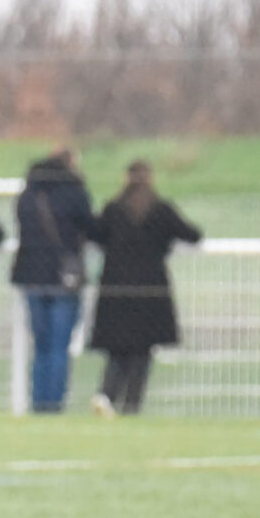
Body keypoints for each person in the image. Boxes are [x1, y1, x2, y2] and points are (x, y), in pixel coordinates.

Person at [89, 161, 201, 416]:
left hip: (116, 290)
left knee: (117, 350)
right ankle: (132, 405)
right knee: (142, 351)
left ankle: (107, 395)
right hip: (150, 292)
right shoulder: (161, 211)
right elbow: (193, 234)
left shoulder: (113, 209)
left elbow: (95, 234)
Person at [10, 148, 97, 413]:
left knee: (41, 346)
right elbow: (92, 228)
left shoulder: (28, 195)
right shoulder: (75, 194)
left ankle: (39, 403)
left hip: (31, 276)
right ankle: (54, 404)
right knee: (59, 347)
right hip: (63, 278)